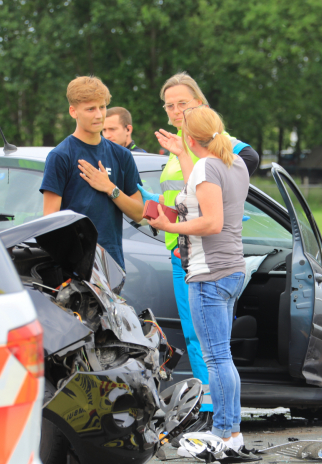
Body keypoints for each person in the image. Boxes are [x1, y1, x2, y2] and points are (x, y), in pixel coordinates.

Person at [154, 72, 259, 430]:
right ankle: (226, 429)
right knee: (218, 352)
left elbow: (210, 217)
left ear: (200, 104)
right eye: (170, 105)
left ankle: (220, 427)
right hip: (215, 260)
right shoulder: (221, 161)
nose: (176, 111)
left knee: (212, 352)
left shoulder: (214, 160)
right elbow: (195, 195)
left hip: (205, 262)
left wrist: (170, 225)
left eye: (183, 103)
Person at [40, 76, 144, 270]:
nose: (99, 115)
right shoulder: (60, 156)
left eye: (102, 107)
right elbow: (50, 222)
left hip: (112, 266)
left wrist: (110, 188)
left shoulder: (122, 155)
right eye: (90, 109)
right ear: (73, 111)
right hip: (72, 270)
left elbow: (139, 213)